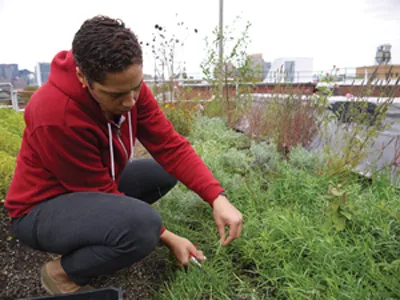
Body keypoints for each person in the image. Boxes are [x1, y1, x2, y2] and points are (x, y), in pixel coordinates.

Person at [4, 15, 242, 295]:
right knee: (143, 228)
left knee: (161, 173)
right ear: (83, 78)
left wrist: (217, 196)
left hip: (83, 190)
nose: (131, 102)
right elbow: (95, 188)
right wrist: (167, 236)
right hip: (39, 209)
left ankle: (103, 233)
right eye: (116, 94)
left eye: (137, 87)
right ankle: (61, 273)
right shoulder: (56, 114)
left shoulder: (128, 89)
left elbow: (170, 144)